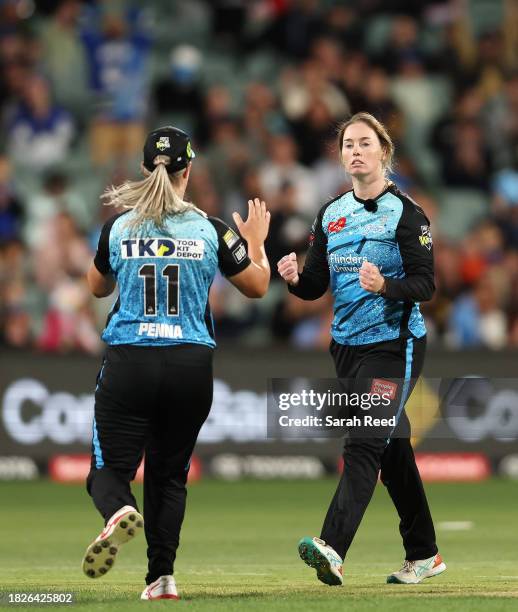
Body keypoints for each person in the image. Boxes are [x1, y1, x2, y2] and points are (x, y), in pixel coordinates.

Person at [84, 126, 270, 600]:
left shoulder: (119, 227)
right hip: (190, 365)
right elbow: (257, 287)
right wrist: (255, 242)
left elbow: (96, 286)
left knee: (107, 471)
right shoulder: (211, 229)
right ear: (189, 171)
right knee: (169, 477)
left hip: (132, 360)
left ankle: (118, 511)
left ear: (146, 171)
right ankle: (161, 578)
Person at [277, 112, 445, 586]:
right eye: (348, 143)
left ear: (383, 152)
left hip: (396, 344)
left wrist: (386, 285)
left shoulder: (407, 214)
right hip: (347, 347)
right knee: (392, 452)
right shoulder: (331, 214)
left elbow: (426, 285)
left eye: (364, 143)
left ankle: (332, 546)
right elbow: (315, 286)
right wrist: (293, 281)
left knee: (365, 443)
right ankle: (425, 553)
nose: (354, 150)